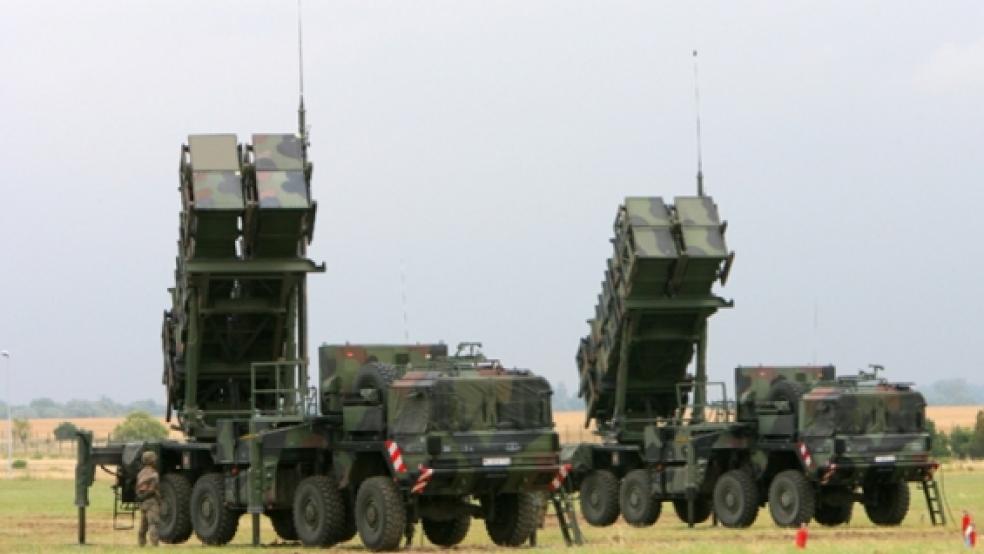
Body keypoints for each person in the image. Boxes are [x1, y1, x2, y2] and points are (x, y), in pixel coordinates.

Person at [136, 451, 160, 547]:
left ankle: (141, 544)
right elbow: (153, 489)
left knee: (143, 525)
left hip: (143, 501)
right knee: (153, 523)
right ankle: (155, 544)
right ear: (152, 461)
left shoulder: (141, 473)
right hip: (151, 500)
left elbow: (138, 487)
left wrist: (141, 497)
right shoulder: (154, 473)